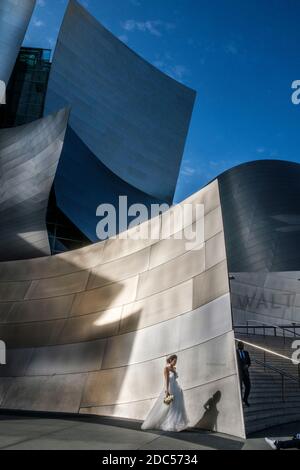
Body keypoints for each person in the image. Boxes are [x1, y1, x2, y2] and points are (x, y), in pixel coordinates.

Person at [141, 354, 189, 432]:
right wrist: (167, 391)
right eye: (174, 361)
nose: (175, 362)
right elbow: (166, 380)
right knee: (167, 406)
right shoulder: (166, 368)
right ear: (171, 360)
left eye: (176, 361)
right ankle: (166, 423)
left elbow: (175, 379)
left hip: (177, 389)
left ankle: (176, 424)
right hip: (170, 389)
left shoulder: (174, 368)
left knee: (177, 407)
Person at [236, 341, 251, 407]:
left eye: (243, 345)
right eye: (241, 345)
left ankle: (245, 399)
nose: (242, 347)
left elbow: (249, 362)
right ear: (238, 346)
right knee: (240, 388)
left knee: (248, 386)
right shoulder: (235, 353)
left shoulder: (246, 352)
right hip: (239, 374)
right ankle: (239, 401)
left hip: (246, 373)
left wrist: (247, 366)